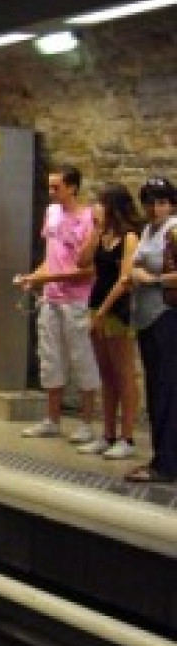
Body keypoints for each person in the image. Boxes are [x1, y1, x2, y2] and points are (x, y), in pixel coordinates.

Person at [16, 166, 100, 442]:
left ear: (72, 188)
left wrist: (48, 277)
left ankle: (86, 422)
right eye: (50, 186)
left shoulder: (88, 219)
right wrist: (35, 277)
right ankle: (51, 418)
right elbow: (50, 257)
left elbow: (88, 269)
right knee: (50, 358)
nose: (51, 192)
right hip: (50, 297)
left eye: (57, 187)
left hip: (77, 300)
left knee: (81, 358)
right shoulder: (51, 213)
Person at [120, 177, 177, 482]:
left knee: (167, 390)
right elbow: (134, 265)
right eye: (151, 203)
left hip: (166, 317)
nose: (156, 209)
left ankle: (166, 464)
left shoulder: (174, 231)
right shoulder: (148, 230)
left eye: (162, 202)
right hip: (147, 317)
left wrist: (152, 280)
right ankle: (161, 457)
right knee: (156, 389)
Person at [85, 184, 143, 458]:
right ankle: (107, 433)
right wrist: (95, 231)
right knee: (106, 373)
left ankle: (127, 436)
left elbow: (124, 279)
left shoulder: (129, 238)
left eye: (101, 203)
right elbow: (82, 261)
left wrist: (102, 312)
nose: (96, 208)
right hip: (96, 304)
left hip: (117, 310)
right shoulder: (102, 235)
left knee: (123, 373)